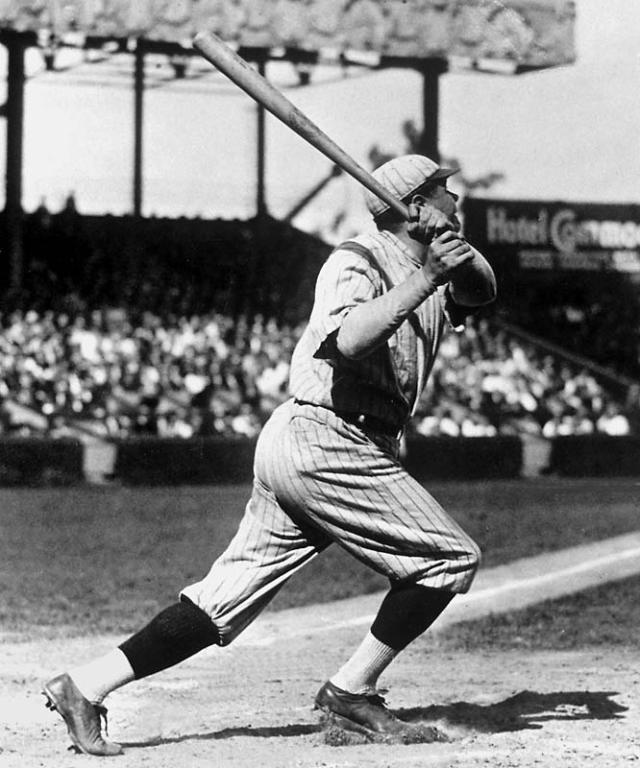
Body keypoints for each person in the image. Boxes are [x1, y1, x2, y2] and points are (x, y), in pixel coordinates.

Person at [42, 154, 497, 755]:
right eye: (443, 191)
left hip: (324, 444)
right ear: (416, 206)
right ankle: (351, 690)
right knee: (449, 558)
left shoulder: (433, 261)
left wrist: (443, 262)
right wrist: (426, 277)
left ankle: (85, 686)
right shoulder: (356, 259)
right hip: (326, 437)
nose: (455, 200)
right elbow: (351, 341)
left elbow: (482, 290)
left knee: (223, 600)